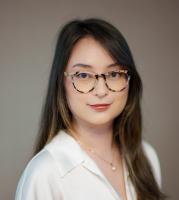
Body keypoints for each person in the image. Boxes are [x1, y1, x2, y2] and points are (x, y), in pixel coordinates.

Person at [15, 18, 166, 200]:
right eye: (83, 75)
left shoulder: (147, 157)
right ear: (61, 83)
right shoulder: (45, 174)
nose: (101, 91)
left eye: (114, 74)